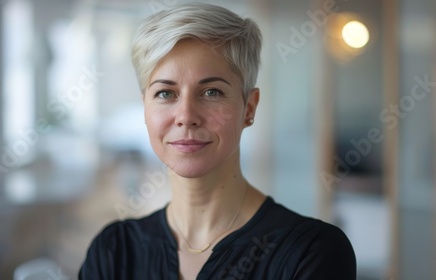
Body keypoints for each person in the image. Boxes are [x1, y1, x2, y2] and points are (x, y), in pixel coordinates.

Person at [79, 3, 356, 279]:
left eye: (211, 92)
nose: (186, 116)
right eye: (165, 93)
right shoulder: (114, 251)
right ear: (145, 108)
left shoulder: (312, 252)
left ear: (249, 107)